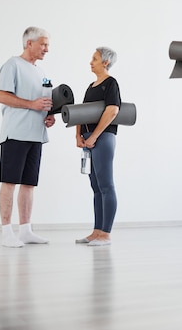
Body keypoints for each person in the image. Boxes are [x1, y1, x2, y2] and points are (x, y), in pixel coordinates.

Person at [0, 26, 56, 248]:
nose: (47, 49)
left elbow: (42, 102)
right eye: (43, 44)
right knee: (9, 182)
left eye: (47, 44)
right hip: (16, 133)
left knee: (29, 184)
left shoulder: (40, 71)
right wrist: (31, 105)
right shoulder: (13, 64)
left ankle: (26, 230)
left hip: (36, 134)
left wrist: (48, 116)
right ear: (29, 43)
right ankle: (6, 232)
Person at [74, 47, 121, 247]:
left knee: (106, 185)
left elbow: (112, 110)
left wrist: (93, 136)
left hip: (103, 138)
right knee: (95, 187)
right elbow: (82, 112)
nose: (90, 62)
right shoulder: (91, 86)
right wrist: (78, 135)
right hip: (88, 139)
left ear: (105, 63)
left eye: (94, 59)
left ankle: (106, 234)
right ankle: (96, 231)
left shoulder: (111, 84)